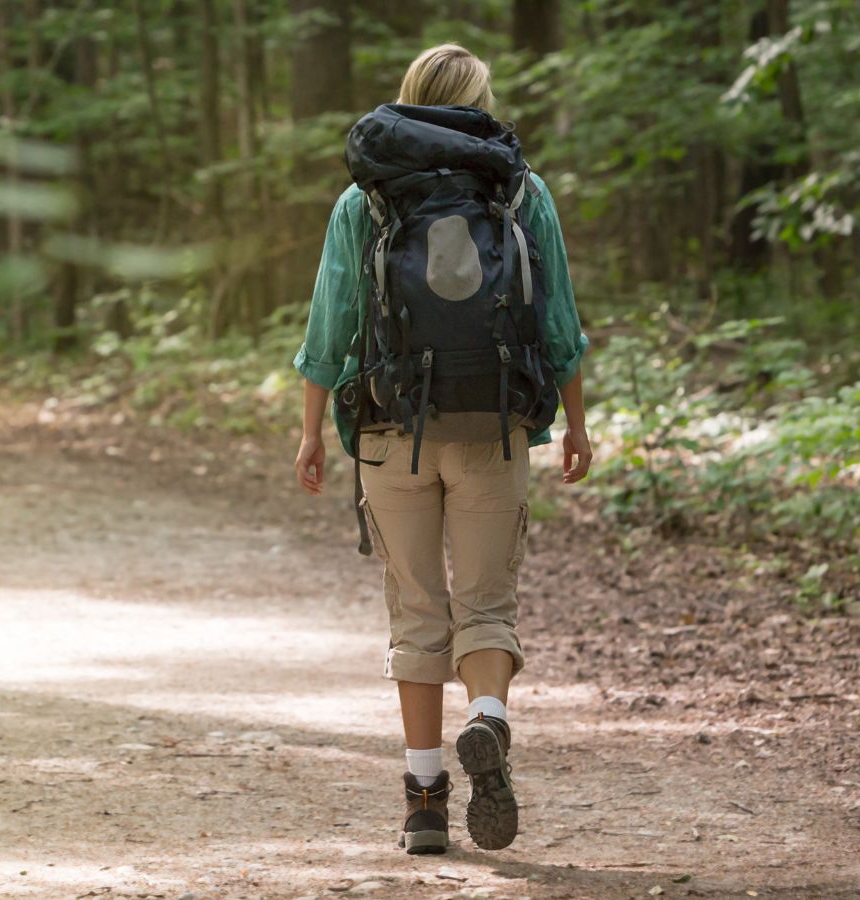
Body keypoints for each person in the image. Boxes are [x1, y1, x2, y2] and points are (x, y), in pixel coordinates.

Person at [292, 44, 592, 854]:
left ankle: (424, 803)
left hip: (391, 430)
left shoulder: (367, 197)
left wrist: (312, 430)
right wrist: (575, 424)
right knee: (487, 604)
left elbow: (330, 323)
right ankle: (487, 717)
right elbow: (558, 321)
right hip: (493, 425)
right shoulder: (520, 190)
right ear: (480, 101)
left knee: (418, 609)